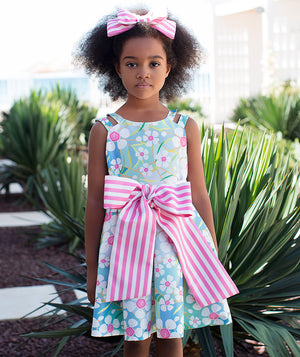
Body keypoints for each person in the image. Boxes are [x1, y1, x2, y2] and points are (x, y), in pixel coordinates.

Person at [76, 7, 239, 357]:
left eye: (153, 62)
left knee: (171, 335)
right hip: (125, 250)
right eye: (132, 63)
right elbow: (94, 204)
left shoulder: (185, 126)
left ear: (169, 66)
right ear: (116, 67)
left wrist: (210, 254)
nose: (143, 73)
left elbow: (198, 194)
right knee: (135, 339)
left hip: (176, 250)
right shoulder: (105, 130)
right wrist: (92, 270)